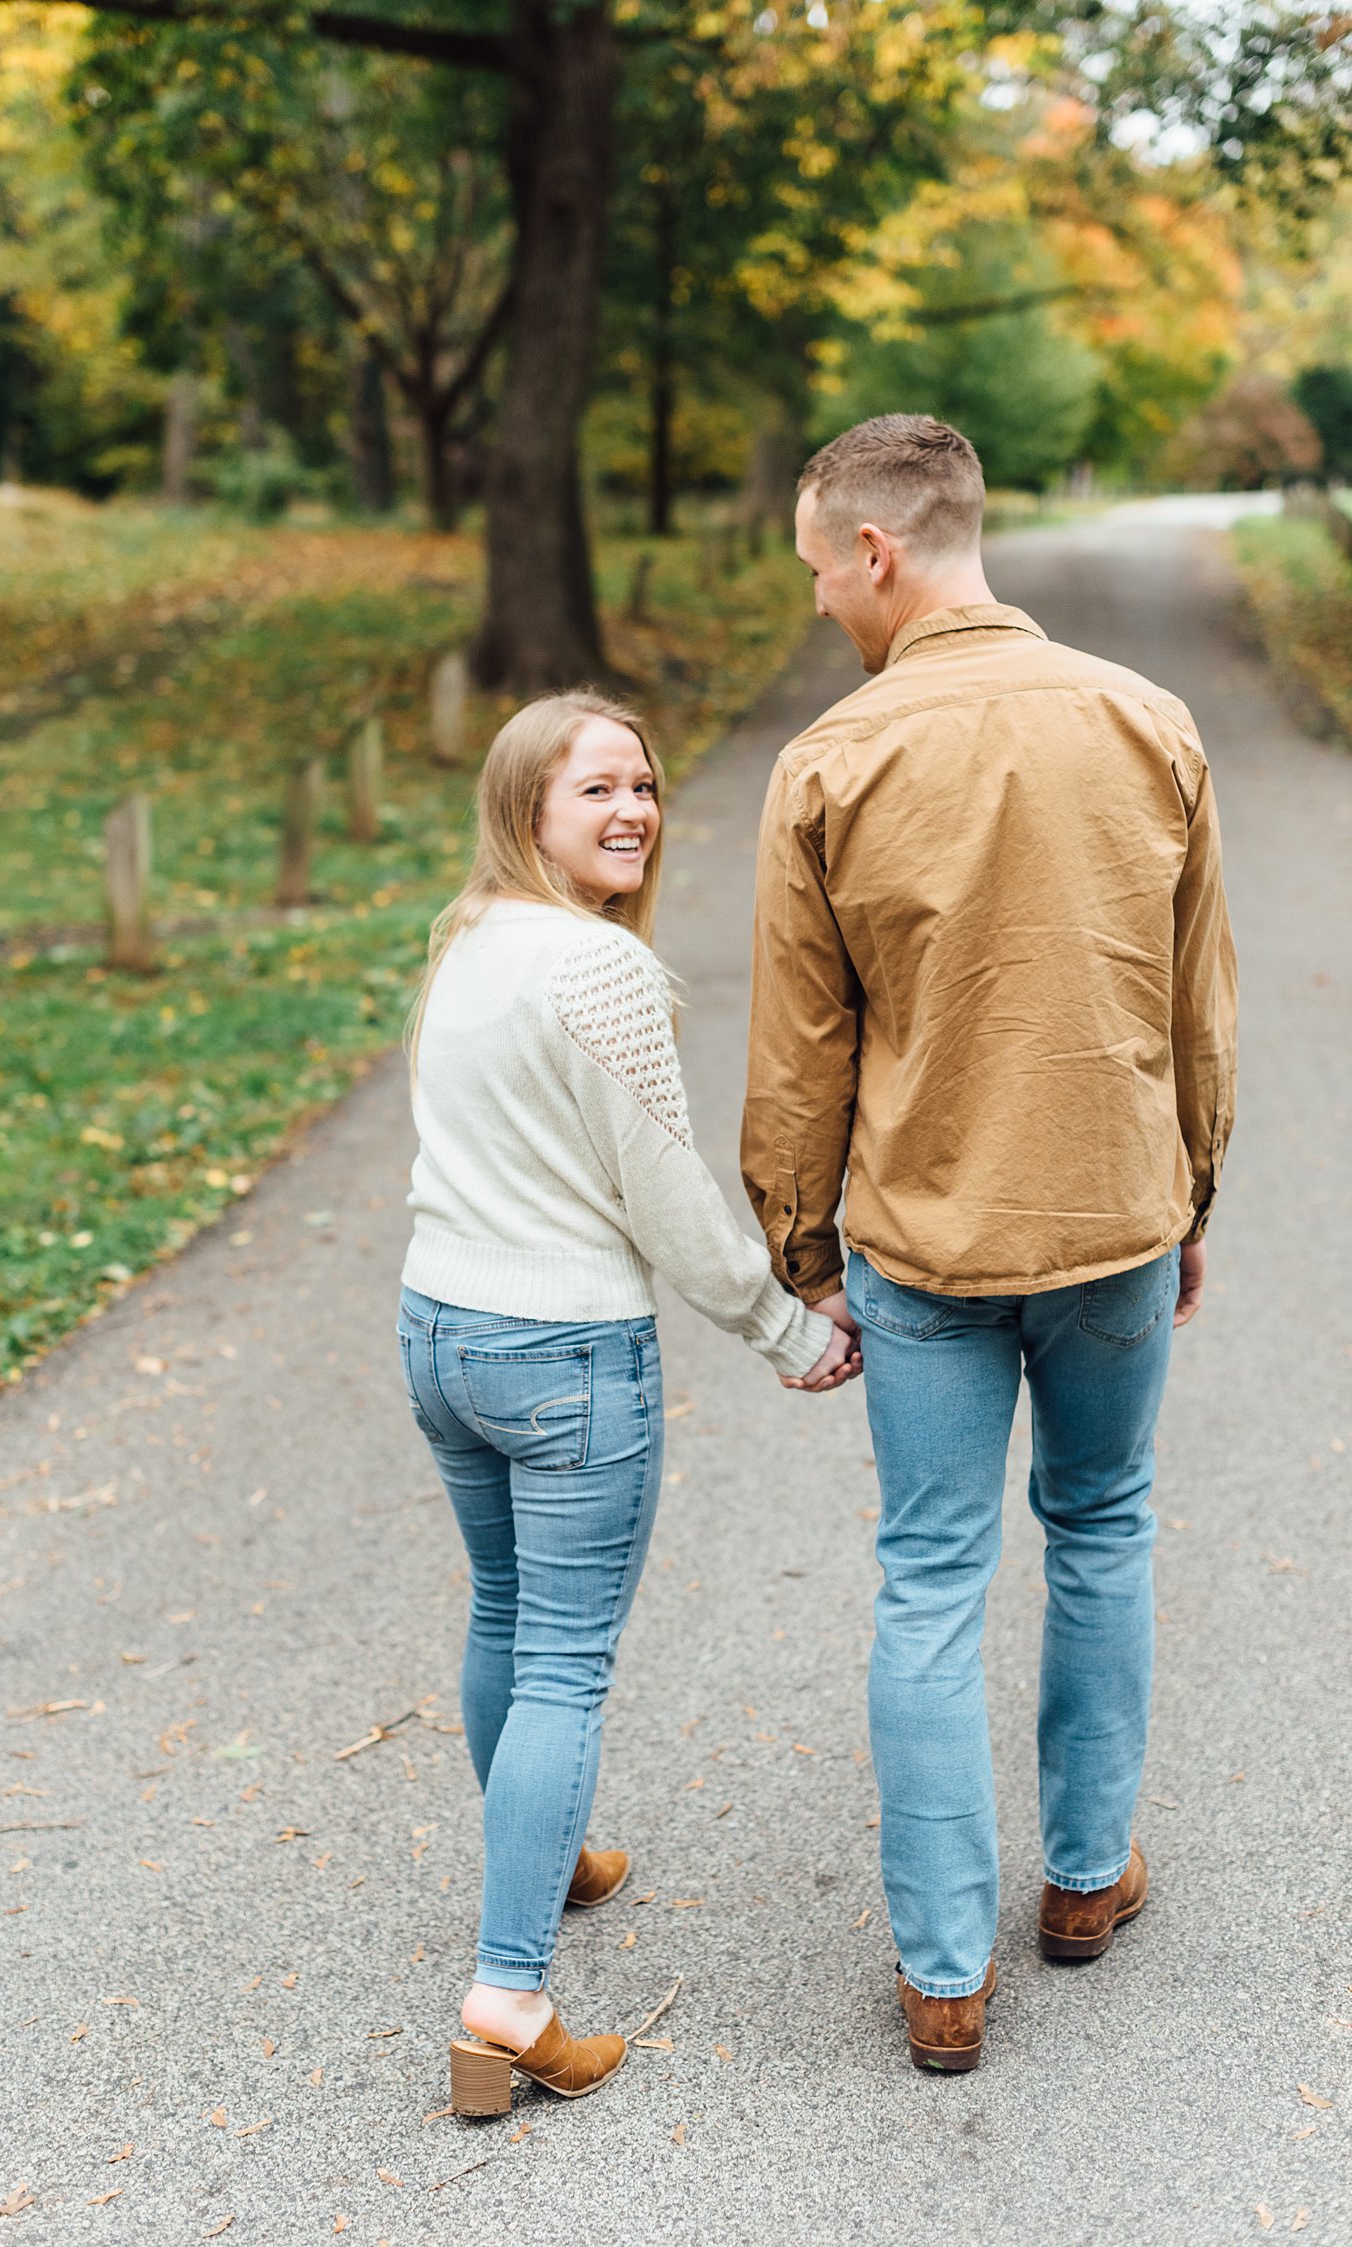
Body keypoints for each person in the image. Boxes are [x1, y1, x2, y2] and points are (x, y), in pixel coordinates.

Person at [742, 415, 1238, 2072]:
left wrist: (803, 1253)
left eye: (821, 569)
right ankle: (1087, 1882)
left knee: (930, 1578)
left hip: (922, 1240)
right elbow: (1198, 1008)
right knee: (1102, 1525)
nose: (822, 604)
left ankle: (945, 1975)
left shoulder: (829, 764)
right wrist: (1192, 1190)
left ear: (877, 552)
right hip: (1109, 1218)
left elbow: (802, 1052)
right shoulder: (1147, 721)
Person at [399, 690, 855, 2118]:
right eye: (594, 789)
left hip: (441, 1333)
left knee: (504, 1612)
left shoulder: (464, 943)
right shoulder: (596, 970)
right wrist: (784, 1326)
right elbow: (663, 1201)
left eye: (644, 786)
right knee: (563, 1663)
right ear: (523, 807)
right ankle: (509, 1996)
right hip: (565, 1354)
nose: (631, 811)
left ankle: (555, 1847)